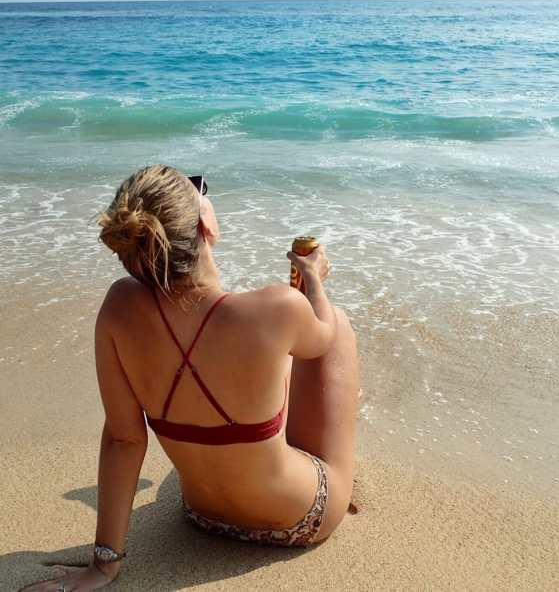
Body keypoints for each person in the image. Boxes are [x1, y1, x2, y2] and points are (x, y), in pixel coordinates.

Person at [21, 165, 359, 591]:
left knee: (272, 362)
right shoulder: (277, 306)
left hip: (203, 518)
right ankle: (339, 485)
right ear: (205, 224)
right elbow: (322, 338)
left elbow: (124, 440)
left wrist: (103, 566)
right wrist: (314, 283)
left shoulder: (119, 307)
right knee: (337, 326)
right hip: (302, 520)